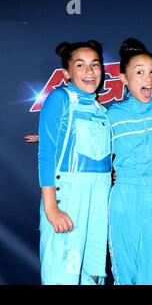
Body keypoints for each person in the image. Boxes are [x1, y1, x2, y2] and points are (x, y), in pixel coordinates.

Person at [38, 40, 112, 285]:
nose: (89, 71)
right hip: (68, 201)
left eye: (95, 64)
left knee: (91, 274)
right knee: (63, 275)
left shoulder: (102, 110)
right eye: (80, 65)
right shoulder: (59, 98)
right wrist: (52, 208)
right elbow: (46, 155)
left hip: (98, 204)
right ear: (67, 73)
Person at [106, 38, 152, 285]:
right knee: (125, 270)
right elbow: (93, 150)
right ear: (123, 78)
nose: (148, 78)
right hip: (124, 195)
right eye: (140, 72)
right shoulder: (113, 115)